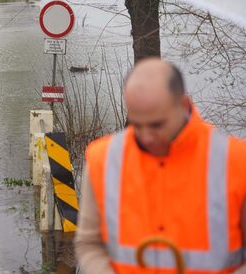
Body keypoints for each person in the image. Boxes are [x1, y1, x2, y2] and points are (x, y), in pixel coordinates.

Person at [75, 58, 246, 273]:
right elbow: (89, 244)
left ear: (184, 105)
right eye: (136, 124)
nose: (146, 137)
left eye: (157, 124)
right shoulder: (103, 159)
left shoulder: (237, 161)